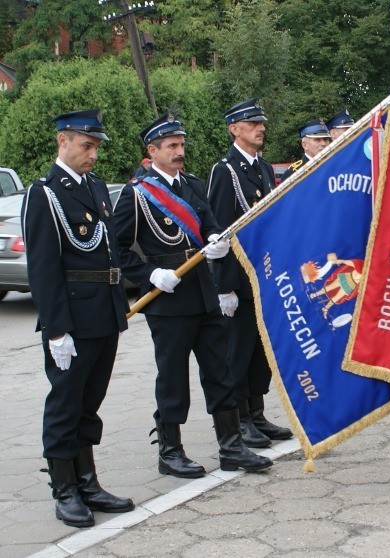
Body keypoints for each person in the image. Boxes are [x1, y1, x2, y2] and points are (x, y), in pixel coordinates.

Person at [114, 113, 272, 478]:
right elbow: (118, 251)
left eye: (181, 144)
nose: (179, 151)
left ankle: (231, 446)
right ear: (152, 150)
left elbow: (212, 225)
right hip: (168, 299)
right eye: (171, 146)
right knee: (172, 378)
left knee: (219, 372)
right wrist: (148, 274)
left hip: (203, 292)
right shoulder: (137, 194)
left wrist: (217, 242)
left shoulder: (194, 186)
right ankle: (170, 451)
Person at [22, 109, 134, 528]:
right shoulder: (45, 193)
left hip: (104, 311)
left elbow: (110, 253)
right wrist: (56, 329)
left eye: (96, 148)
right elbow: (44, 268)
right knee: (65, 405)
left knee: (90, 403)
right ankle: (64, 489)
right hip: (72, 317)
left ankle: (87, 481)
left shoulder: (98, 188)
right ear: (62, 141)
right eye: (87, 146)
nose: (93, 155)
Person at [206, 99, 293, 448]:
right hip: (239, 280)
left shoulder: (262, 170)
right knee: (239, 350)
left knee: (260, 349)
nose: (260, 128)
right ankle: (240, 418)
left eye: (261, 122)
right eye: (252, 123)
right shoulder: (225, 171)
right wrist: (224, 286)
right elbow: (220, 231)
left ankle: (257, 412)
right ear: (234, 129)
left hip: (263, 276)